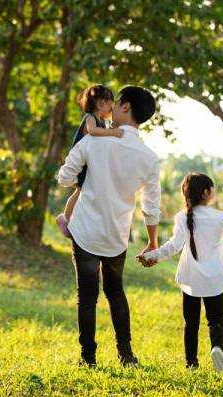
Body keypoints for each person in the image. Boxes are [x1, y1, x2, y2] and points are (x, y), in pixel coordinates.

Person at [57, 86, 160, 367]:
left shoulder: (93, 141)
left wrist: (84, 178)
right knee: (115, 293)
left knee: (87, 297)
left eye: (115, 102)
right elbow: (150, 207)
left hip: (86, 232)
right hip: (117, 235)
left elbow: (64, 179)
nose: (110, 106)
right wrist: (152, 242)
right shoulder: (149, 157)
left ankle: (88, 358)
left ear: (125, 106)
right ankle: (126, 355)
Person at [137, 173, 223, 372]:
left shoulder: (181, 217)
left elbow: (173, 246)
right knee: (215, 320)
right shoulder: (219, 217)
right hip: (214, 279)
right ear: (206, 193)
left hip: (190, 279)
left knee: (191, 323)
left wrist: (153, 256)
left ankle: (191, 363)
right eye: (212, 188)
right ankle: (217, 348)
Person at [56, 84, 125, 238]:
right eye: (111, 105)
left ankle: (72, 220)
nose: (112, 109)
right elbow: (93, 131)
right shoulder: (90, 118)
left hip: (89, 163)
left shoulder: (101, 121)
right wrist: (113, 132)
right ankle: (64, 218)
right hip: (81, 163)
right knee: (79, 191)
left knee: (83, 192)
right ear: (102, 104)